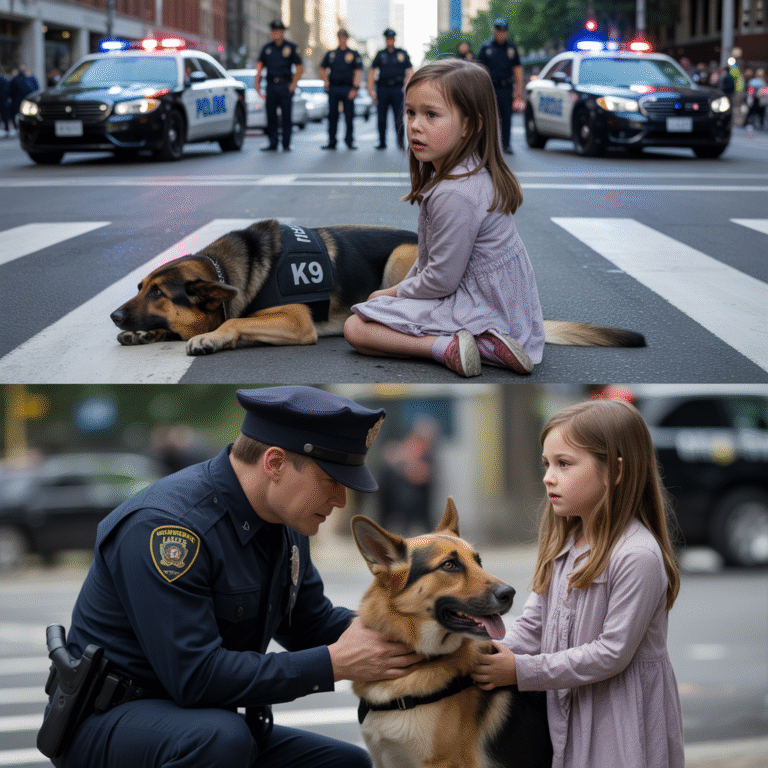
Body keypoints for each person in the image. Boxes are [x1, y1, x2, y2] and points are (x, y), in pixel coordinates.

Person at [41, 386, 423, 768]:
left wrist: (432, 639)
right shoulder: (168, 528)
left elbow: (311, 622)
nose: (341, 500)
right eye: (332, 481)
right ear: (274, 463)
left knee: (344, 763)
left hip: (199, 722)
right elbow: (196, 677)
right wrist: (333, 664)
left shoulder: (284, 521)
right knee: (222, 741)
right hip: (110, 722)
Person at [471, 398, 684, 768]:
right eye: (547, 464)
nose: (548, 477)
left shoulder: (637, 555)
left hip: (619, 713)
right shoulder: (563, 544)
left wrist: (522, 671)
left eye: (564, 464)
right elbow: (532, 627)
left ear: (615, 471)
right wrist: (481, 652)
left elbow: (611, 654)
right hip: (571, 702)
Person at [343, 59, 545, 378]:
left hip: (477, 305)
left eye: (431, 115)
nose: (415, 125)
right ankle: (483, 341)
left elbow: (441, 280)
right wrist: (402, 289)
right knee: (375, 311)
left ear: (469, 125)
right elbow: (431, 262)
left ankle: (452, 347)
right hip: (503, 305)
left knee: (356, 327)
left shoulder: (455, 192)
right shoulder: (469, 172)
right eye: (411, 112)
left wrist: (389, 293)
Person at [255, 20, 303, 152]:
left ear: (283, 32)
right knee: (271, 116)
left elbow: (299, 67)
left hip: (285, 85)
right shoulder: (267, 48)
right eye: (273, 31)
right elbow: (259, 67)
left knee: (286, 116)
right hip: (271, 86)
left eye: (278, 31)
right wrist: (257, 85)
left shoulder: (291, 47)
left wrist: (293, 85)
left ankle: (286, 143)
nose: (275, 34)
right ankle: (273, 142)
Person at [476, 18, 522, 154]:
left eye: (504, 31)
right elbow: (479, 69)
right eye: (499, 31)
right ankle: (488, 145)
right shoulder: (486, 48)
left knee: (507, 117)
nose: (501, 34)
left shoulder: (511, 49)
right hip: (490, 88)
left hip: (506, 88)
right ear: (494, 31)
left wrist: (518, 91)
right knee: (489, 118)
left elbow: (517, 70)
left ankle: (506, 144)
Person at [367, 28, 413, 150]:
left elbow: (409, 71)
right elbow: (372, 70)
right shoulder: (380, 54)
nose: (390, 41)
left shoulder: (401, 53)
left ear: (394, 40)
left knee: (398, 117)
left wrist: (407, 86)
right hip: (382, 89)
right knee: (381, 117)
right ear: (385, 40)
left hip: (397, 89)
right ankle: (382, 142)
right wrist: (370, 89)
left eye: (391, 39)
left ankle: (401, 142)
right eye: (388, 39)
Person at [319, 29, 362, 149]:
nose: (342, 39)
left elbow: (357, 72)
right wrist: (325, 82)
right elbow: (322, 69)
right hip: (334, 87)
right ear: (338, 38)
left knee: (349, 116)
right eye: (340, 37)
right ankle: (331, 141)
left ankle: (349, 141)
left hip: (348, 88)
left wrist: (355, 88)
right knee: (332, 116)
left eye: (344, 37)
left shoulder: (353, 54)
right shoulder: (331, 54)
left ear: (347, 38)